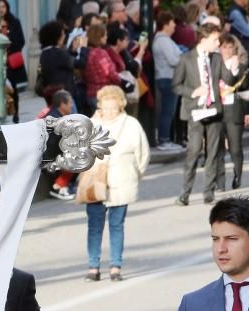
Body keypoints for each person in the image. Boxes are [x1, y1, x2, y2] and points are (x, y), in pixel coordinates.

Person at [84, 85, 150, 281]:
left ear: (121, 105)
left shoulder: (131, 124)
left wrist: (135, 175)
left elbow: (142, 154)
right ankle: (93, 266)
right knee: (94, 226)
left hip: (122, 180)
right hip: (95, 180)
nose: (110, 111)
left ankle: (115, 266)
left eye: (114, 107)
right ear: (100, 106)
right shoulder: (89, 124)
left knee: (117, 225)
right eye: (106, 107)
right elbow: (79, 153)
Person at [174, 24, 238, 206]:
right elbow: (176, 85)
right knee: (193, 151)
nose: (218, 43)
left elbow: (228, 79)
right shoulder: (186, 58)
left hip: (214, 109)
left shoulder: (216, 58)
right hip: (195, 110)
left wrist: (233, 67)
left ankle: (208, 192)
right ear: (203, 39)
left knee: (213, 152)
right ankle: (184, 193)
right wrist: (194, 92)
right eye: (214, 40)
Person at [216, 33, 249, 190]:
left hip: (234, 109)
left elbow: (245, 89)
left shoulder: (241, 67)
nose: (228, 51)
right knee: (218, 148)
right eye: (224, 47)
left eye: (231, 47)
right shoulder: (215, 65)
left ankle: (238, 175)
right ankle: (220, 181)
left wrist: (248, 112)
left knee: (235, 147)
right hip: (218, 110)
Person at [154, 12, 184, 151]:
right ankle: (164, 140)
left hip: (167, 78)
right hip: (168, 78)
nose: (174, 27)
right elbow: (173, 60)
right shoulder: (163, 40)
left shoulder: (164, 39)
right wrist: (183, 59)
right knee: (168, 111)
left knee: (169, 110)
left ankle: (166, 139)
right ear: (165, 24)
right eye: (172, 24)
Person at [0, 0, 27, 123]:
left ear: (7, 7)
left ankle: (15, 113)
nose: (1, 9)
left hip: (10, 61)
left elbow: (21, 40)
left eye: (3, 6)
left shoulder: (14, 22)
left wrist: (9, 45)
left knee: (13, 88)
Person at [83, 23, 120, 112]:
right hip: (104, 95)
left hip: (90, 93)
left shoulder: (86, 53)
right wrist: (121, 81)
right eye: (105, 35)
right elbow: (109, 72)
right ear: (99, 37)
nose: (106, 37)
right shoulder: (100, 53)